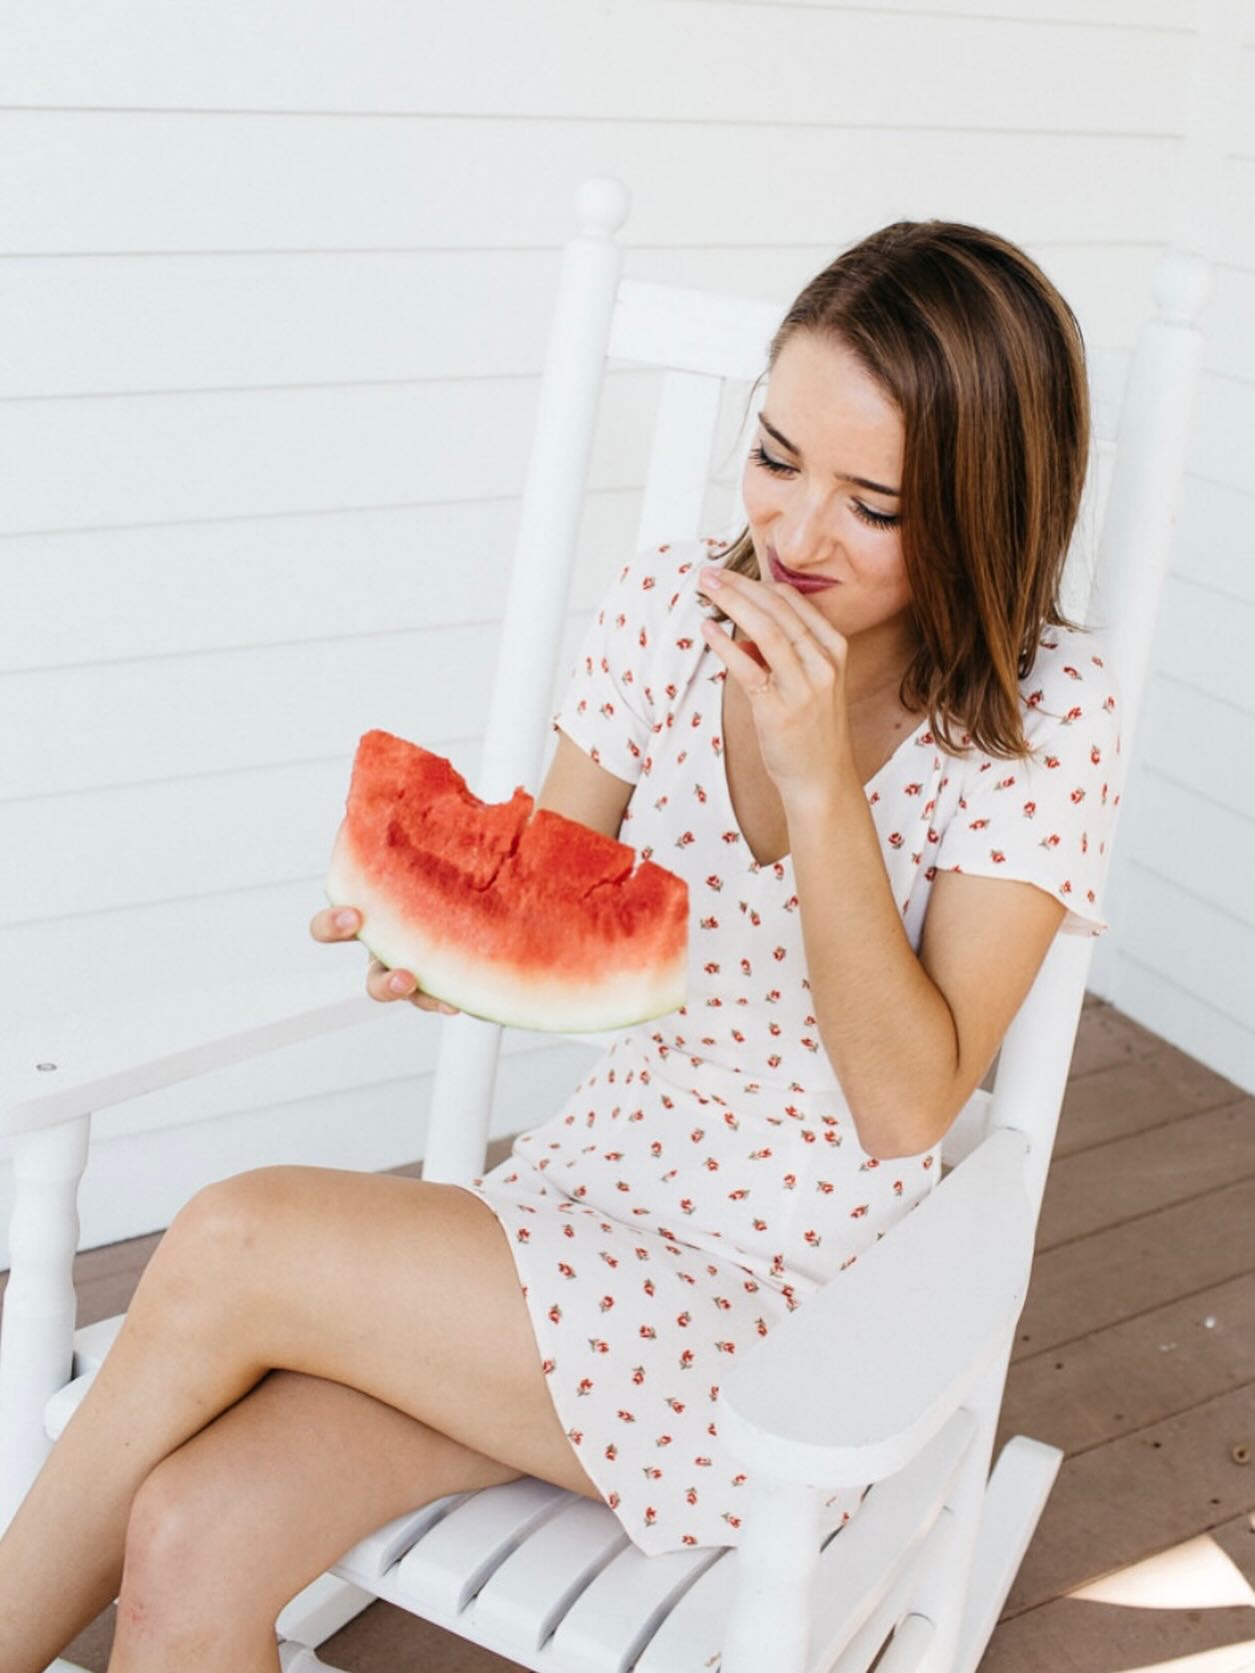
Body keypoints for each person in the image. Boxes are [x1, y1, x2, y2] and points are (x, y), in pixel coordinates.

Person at [0, 218, 1122, 1671]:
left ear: (982, 510)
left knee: (230, 1238)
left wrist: (818, 784)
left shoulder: (1046, 714)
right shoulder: (669, 607)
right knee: (189, 1535)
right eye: (774, 457)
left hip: (788, 1321)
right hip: (573, 1211)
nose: (794, 537)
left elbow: (908, 1105)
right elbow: (537, 894)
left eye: (873, 505)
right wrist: (433, 939)